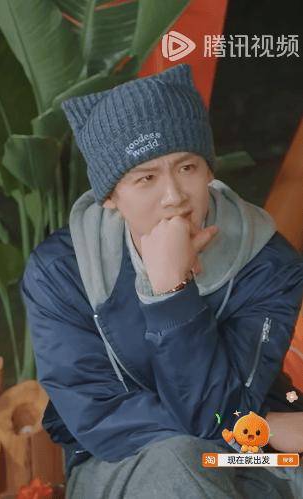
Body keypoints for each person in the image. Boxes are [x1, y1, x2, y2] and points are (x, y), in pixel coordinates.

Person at [21, 64, 303, 498]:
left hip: (245, 453)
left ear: (209, 172)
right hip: (122, 460)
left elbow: (218, 411)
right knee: (179, 465)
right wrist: (170, 291)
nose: (174, 196)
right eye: (146, 178)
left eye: (187, 167)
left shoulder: (266, 261)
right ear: (111, 197)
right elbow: (101, 418)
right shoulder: (62, 270)